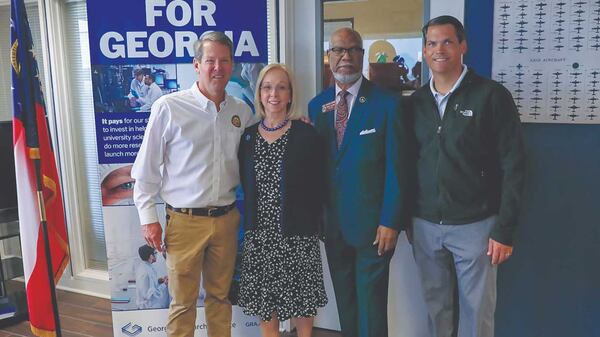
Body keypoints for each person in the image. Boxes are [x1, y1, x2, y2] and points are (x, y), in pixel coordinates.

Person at [131, 32, 255, 337]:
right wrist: (148, 220)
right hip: (183, 223)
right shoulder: (169, 107)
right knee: (183, 303)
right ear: (196, 65)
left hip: (226, 221)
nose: (217, 67)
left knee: (219, 298)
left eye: (224, 61)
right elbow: (146, 170)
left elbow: (260, 153)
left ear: (231, 65)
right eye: (210, 60)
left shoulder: (242, 112)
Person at [409, 15, 526, 337]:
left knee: (477, 313)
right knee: (436, 310)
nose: (439, 49)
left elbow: (514, 165)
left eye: (447, 41)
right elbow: (406, 162)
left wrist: (504, 229)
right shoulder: (416, 102)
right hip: (426, 224)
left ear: (463, 46)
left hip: (476, 226)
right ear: (424, 50)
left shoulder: (491, 96)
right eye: (431, 43)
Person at [308, 28, 412, 337]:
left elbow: (399, 168)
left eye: (353, 50)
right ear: (329, 57)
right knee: (346, 306)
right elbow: (320, 168)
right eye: (339, 50)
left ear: (362, 56)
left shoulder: (388, 104)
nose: (345, 57)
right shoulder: (318, 106)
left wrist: (391, 221)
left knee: (372, 306)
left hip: (374, 228)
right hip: (334, 226)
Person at [237, 64, 327, 337]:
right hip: (260, 234)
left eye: (281, 87)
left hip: (298, 232)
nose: (273, 94)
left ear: (290, 95)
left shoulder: (306, 134)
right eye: (267, 87)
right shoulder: (248, 138)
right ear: (259, 94)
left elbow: (319, 183)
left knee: (303, 300)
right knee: (267, 303)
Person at [135, 244, 169, 309]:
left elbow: (151, 285)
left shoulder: (147, 266)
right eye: (155, 253)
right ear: (151, 256)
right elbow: (151, 295)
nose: (157, 255)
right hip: (148, 307)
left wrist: (159, 281)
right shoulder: (144, 272)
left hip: (150, 304)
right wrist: (164, 284)